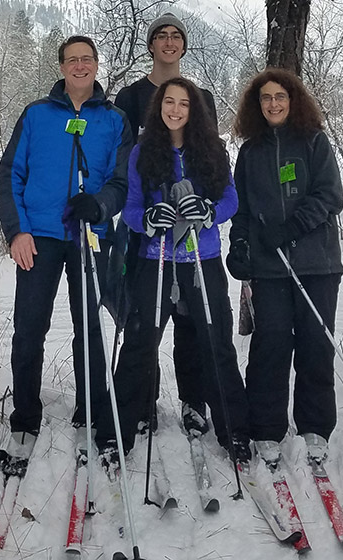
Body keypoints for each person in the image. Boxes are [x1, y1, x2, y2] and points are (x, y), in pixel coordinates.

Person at [0, 35, 133, 470]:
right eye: (71, 60)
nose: (79, 66)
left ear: (96, 65)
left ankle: (89, 410)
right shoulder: (37, 114)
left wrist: (102, 205)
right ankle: (25, 417)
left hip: (88, 236)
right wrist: (16, 231)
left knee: (88, 325)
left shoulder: (114, 119)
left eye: (86, 59)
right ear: (61, 67)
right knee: (29, 327)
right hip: (38, 236)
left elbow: (121, 181)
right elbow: (10, 176)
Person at [97, 76, 251, 463]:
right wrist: (148, 218)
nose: (176, 109)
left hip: (204, 259)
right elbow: (130, 207)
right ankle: (117, 431)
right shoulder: (143, 151)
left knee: (216, 344)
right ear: (159, 106)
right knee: (139, 344)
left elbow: (231, 197)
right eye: (169, 102)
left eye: (184, 103)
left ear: (193, 109)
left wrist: (211, 212)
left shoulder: (212, 149)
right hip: (156, 259)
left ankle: (235, 430)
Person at [226, 67, 343, 466]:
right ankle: (266, 426)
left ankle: (315, 426)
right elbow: (239, 208)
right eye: (265, 98)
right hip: (270, 267)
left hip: (317, 264)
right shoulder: (250, 151)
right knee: (270, 344)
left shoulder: (313, 141)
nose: (273, 103)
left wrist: (292, 227)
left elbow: (329, 194)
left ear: (292, 100)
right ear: (256, 106)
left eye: (280, 97)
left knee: (314, 343)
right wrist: (239, 245)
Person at [111, 13, 218, 436]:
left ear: (183, 46)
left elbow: (210, 157)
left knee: (191, 323)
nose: (169, 42)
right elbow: (123, 157)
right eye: (162, 36)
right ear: (151, 44)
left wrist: (206, 206)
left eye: (177, 36)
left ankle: (194, 402)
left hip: (191, 233)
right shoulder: (132, 95)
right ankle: (142, 403)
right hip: (147, 230)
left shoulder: (200, 97)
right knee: (144, 321)